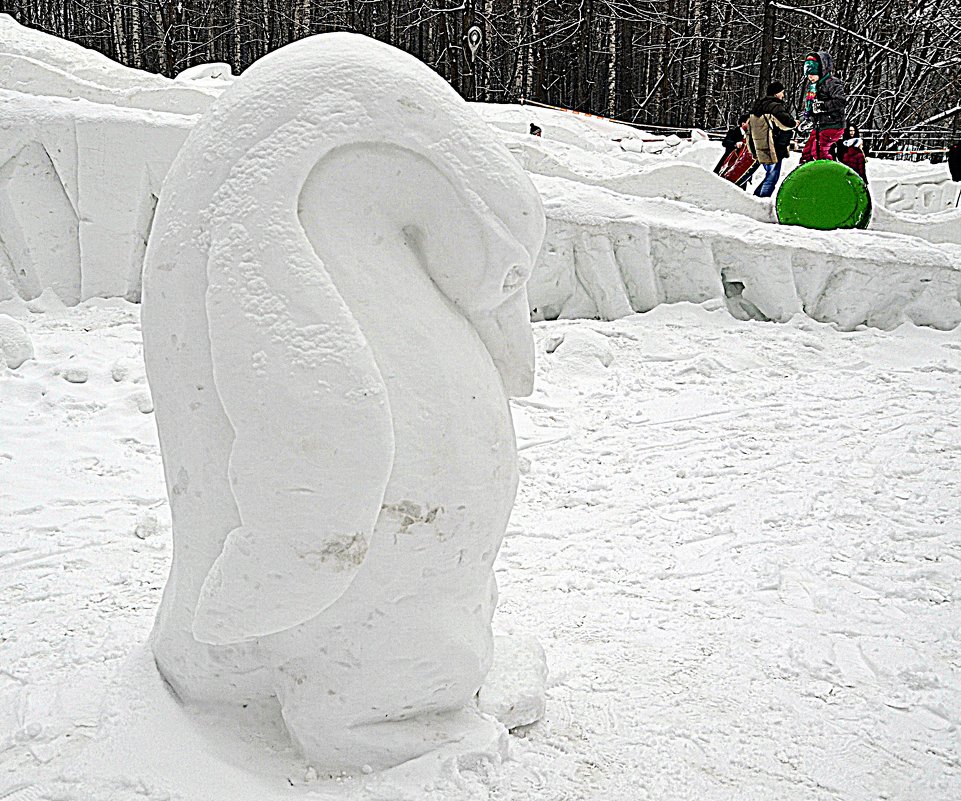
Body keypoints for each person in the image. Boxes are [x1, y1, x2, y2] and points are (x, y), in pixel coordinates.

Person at [746, 80, 797, 197]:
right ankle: (761, 200)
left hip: (760, 146)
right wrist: (795, 123)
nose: (783, 95)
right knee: (772, 178)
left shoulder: (757, 106)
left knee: (769, 174)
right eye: (782, 92)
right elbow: (787, 123)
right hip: (774, 146)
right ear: (776, 93)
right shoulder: (775, 107)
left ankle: (756, 197)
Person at [798, 50, 847, 163]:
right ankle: (805, 171)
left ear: (821, 71)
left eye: (813, 75)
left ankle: (828, 172)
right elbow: (812, 106)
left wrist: (822, 106)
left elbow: (841, 101)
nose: (810, 78)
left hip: (833, 124)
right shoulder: (814, 87)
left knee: (818, 150)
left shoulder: (832, 83)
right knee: (807, 150)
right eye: (808, 75)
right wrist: (808, 116)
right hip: (819, 125)